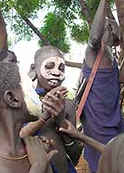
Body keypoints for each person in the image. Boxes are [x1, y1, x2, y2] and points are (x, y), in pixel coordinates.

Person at [77, 0, 124, 171]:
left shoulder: (111, 56)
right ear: (107, 29)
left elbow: (123, 77)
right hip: (99, 119)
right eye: (110, 23)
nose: (115, 26)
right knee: (104, 160)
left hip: (113, 116)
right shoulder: (94, 51)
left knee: (113, 155)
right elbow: (94, 38)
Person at [27, 45, 82, 173]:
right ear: (33, 69)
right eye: (49, 66)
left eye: (61, 68)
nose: (56, 72)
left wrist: (61, 122)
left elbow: (75, 157)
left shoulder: (67, 105)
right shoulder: (25, 102)